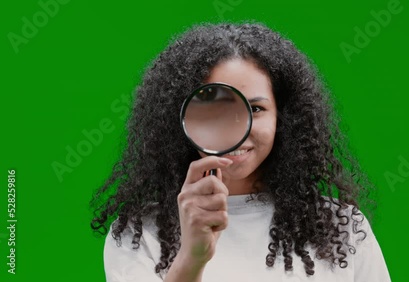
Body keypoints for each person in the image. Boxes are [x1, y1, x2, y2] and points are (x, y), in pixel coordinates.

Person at [90, 22, 391, 282]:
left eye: (256, 109)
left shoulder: (341, 227)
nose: (238, 129)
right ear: (181, 120)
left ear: (282, 118)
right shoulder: (139, 234)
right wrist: (191, 259)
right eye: (216, 108)